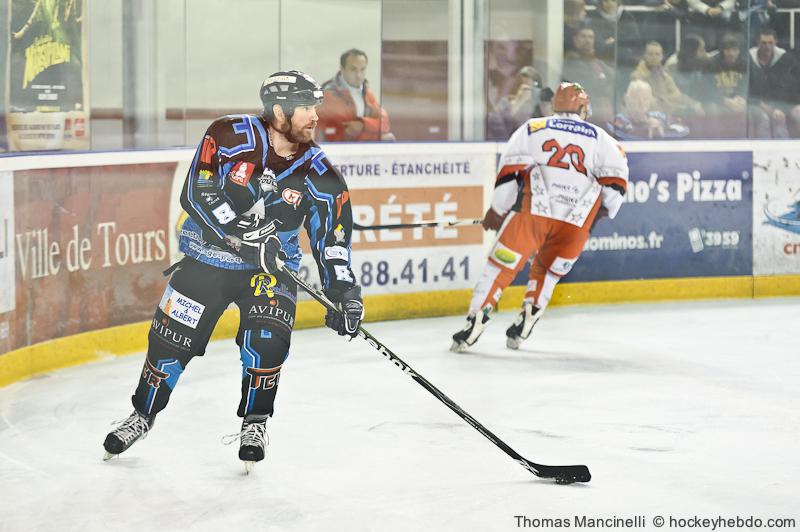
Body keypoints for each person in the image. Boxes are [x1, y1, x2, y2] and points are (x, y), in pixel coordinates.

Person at [102, 71, 364, 471]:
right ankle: (143, 414)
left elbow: (332, 239)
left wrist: (344, 292)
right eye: (306, 108)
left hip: (271, 271)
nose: (315, 116)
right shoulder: (227, 135)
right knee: (168, 343)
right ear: (279, 111)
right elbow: (198, 191)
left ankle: (255, 422)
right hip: (205, 259)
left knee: (268, 343)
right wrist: (243, 238)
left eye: (316, 107)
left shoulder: (321, 174)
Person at [451, 83, 629, 352]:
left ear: (555, 104)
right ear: (583, 107)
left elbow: (509, 173)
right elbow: (614, 190)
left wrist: (497, 211)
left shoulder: (533, 128)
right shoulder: (605, 140)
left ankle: (475, 321)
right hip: (574, 226)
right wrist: (596, 215)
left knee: (499, 268)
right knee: (548, 271)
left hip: (532, 216)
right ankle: (529, 317)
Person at [316, 48, 395, 142]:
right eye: (353, 69)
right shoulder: (328, 94)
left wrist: (363, 124)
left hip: (356, 145)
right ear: (342, 69)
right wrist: (371, 128)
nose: (359, 75)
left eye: (362, 69)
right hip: (334, 147)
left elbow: (384, 123)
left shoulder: (366, 93)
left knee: (388, 138)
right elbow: (347, 132)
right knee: (387, 138)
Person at [748, 26, 800, 138]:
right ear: (757, 42)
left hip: (783, 102)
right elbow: (749, 90)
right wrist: (769, 109)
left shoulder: (787, 60)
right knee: (766, 118)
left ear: (776, 42)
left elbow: (790, 86)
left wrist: (781, 107)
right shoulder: (748, 60)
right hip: (758, 103)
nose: (767, 46)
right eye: (764, 43)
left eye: (771, 43)